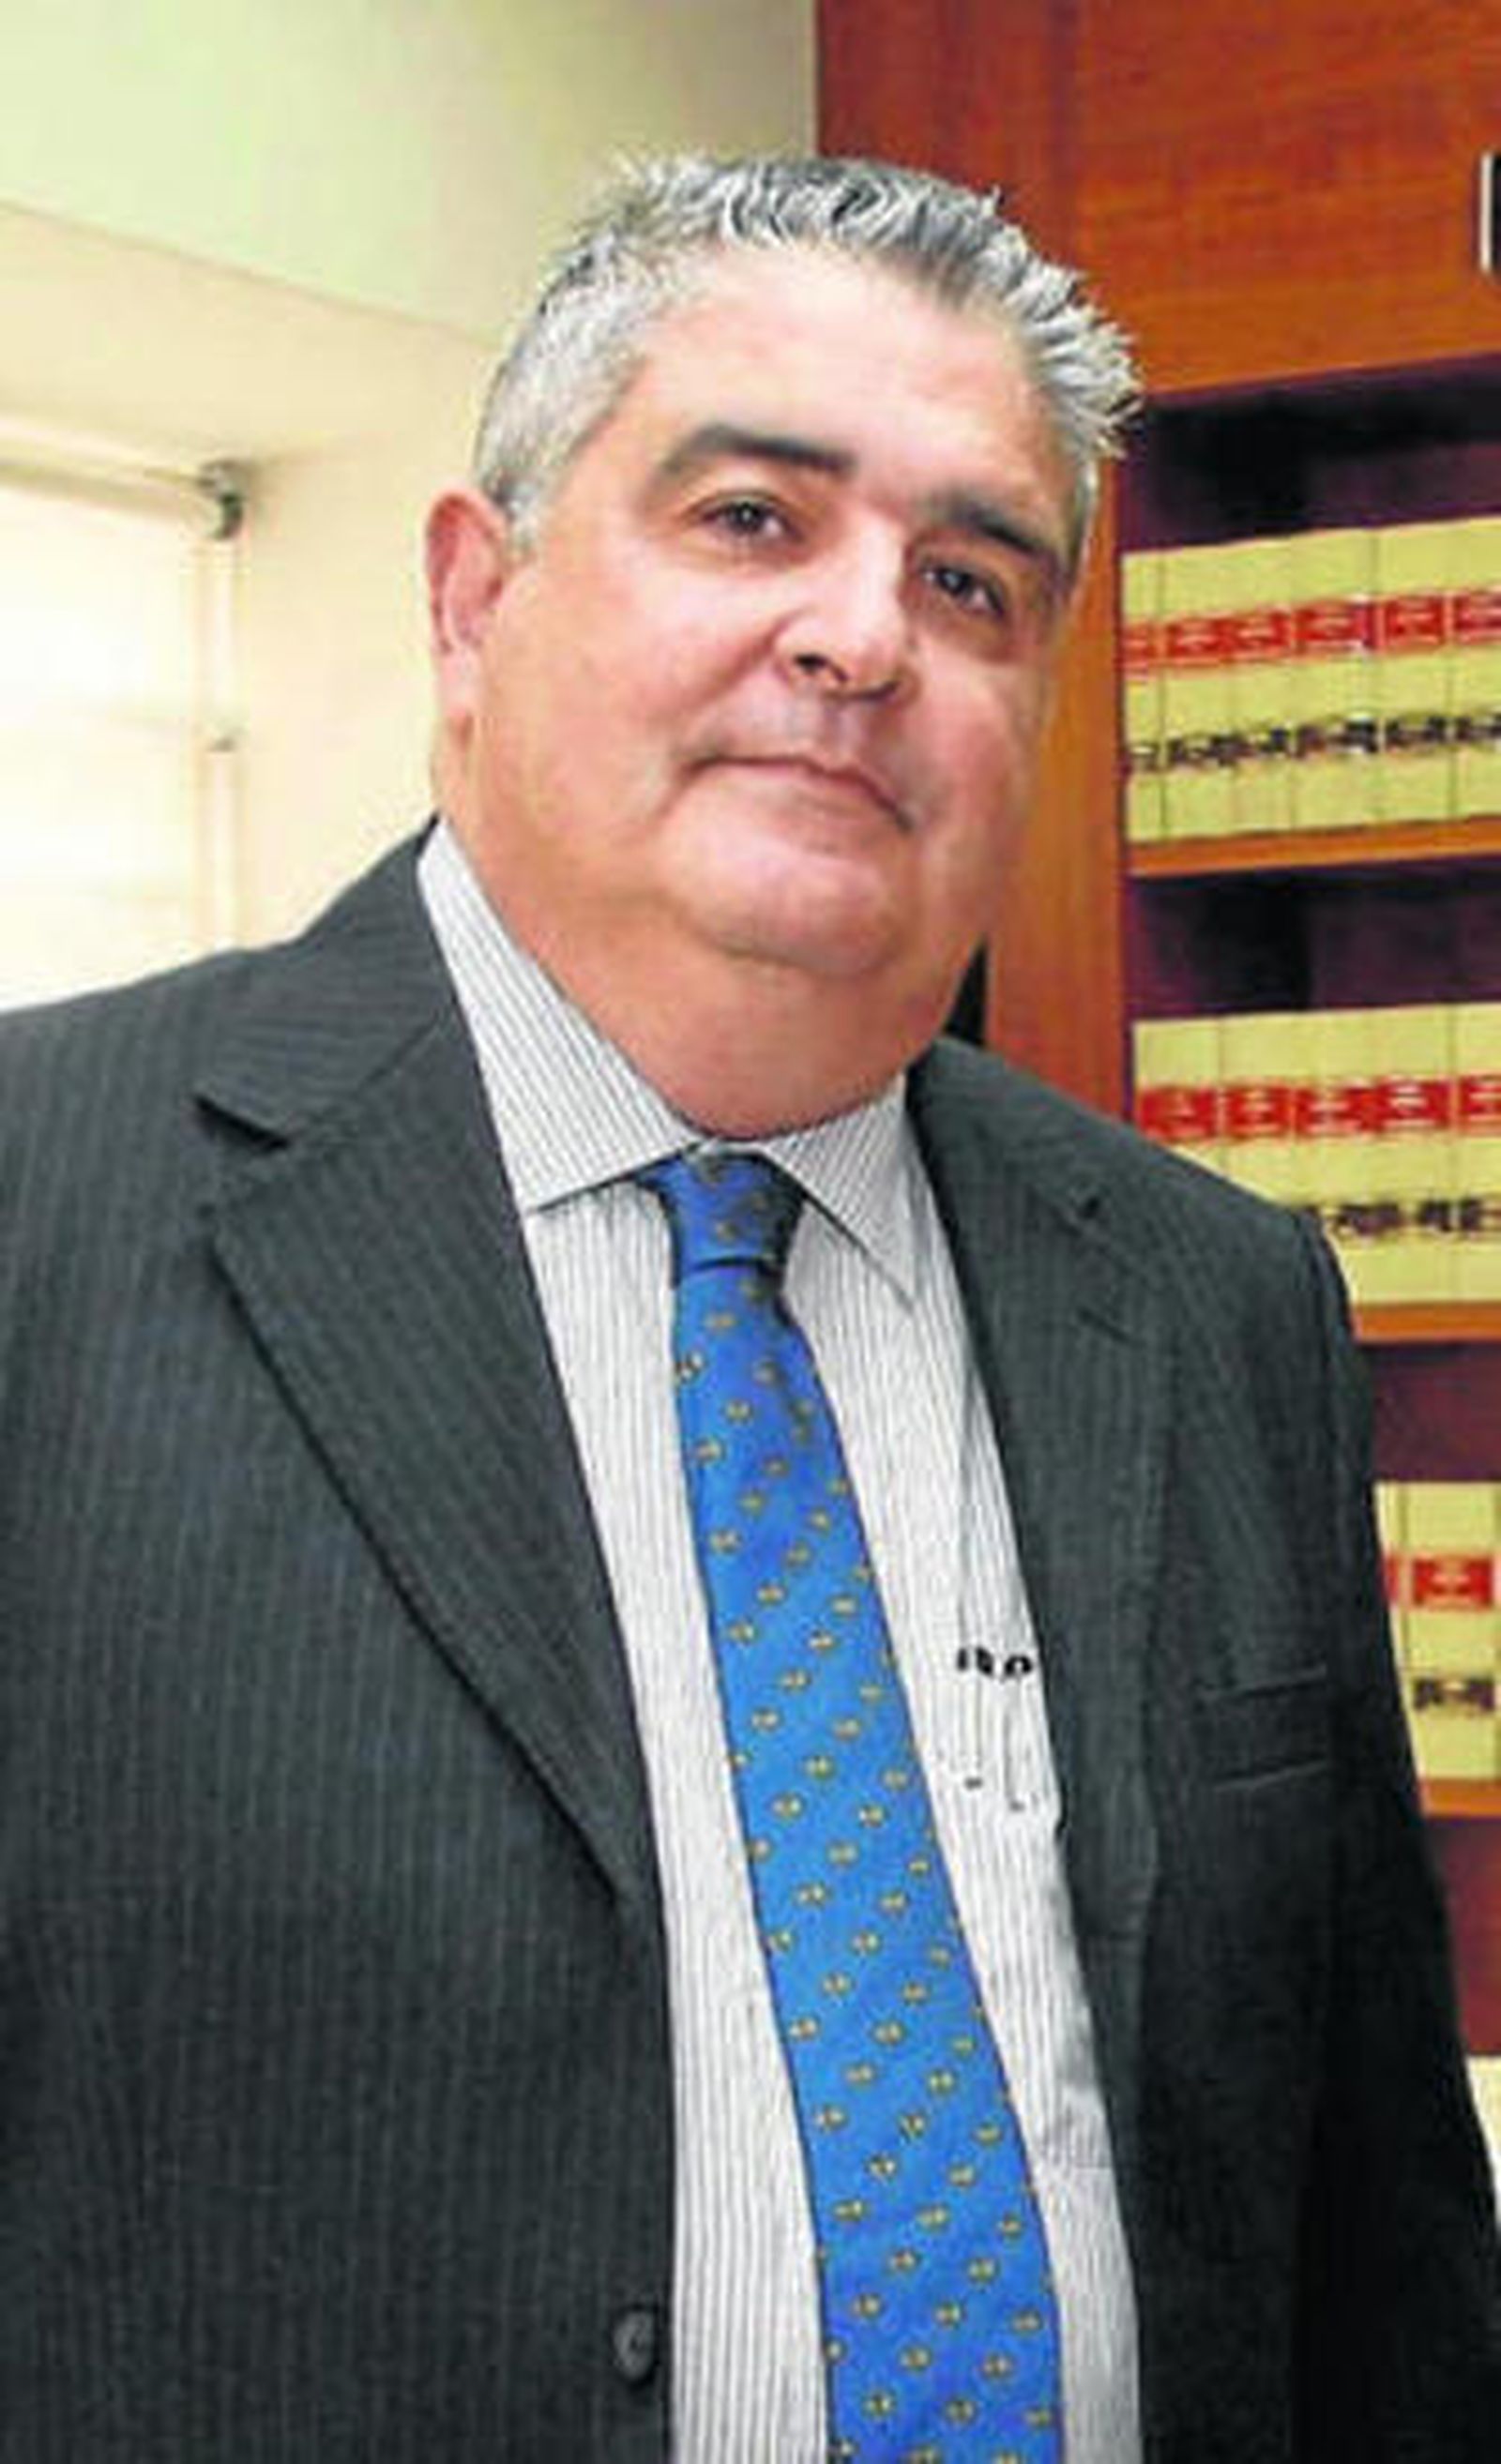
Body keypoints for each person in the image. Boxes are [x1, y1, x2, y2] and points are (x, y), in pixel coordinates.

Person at [0, 152, 1495, 2464]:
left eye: (969, 579)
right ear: (471, 597)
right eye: (746, 519)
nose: (860, 637)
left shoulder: (1213, 1304)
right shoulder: (44, 1205)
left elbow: (1374, 2250)